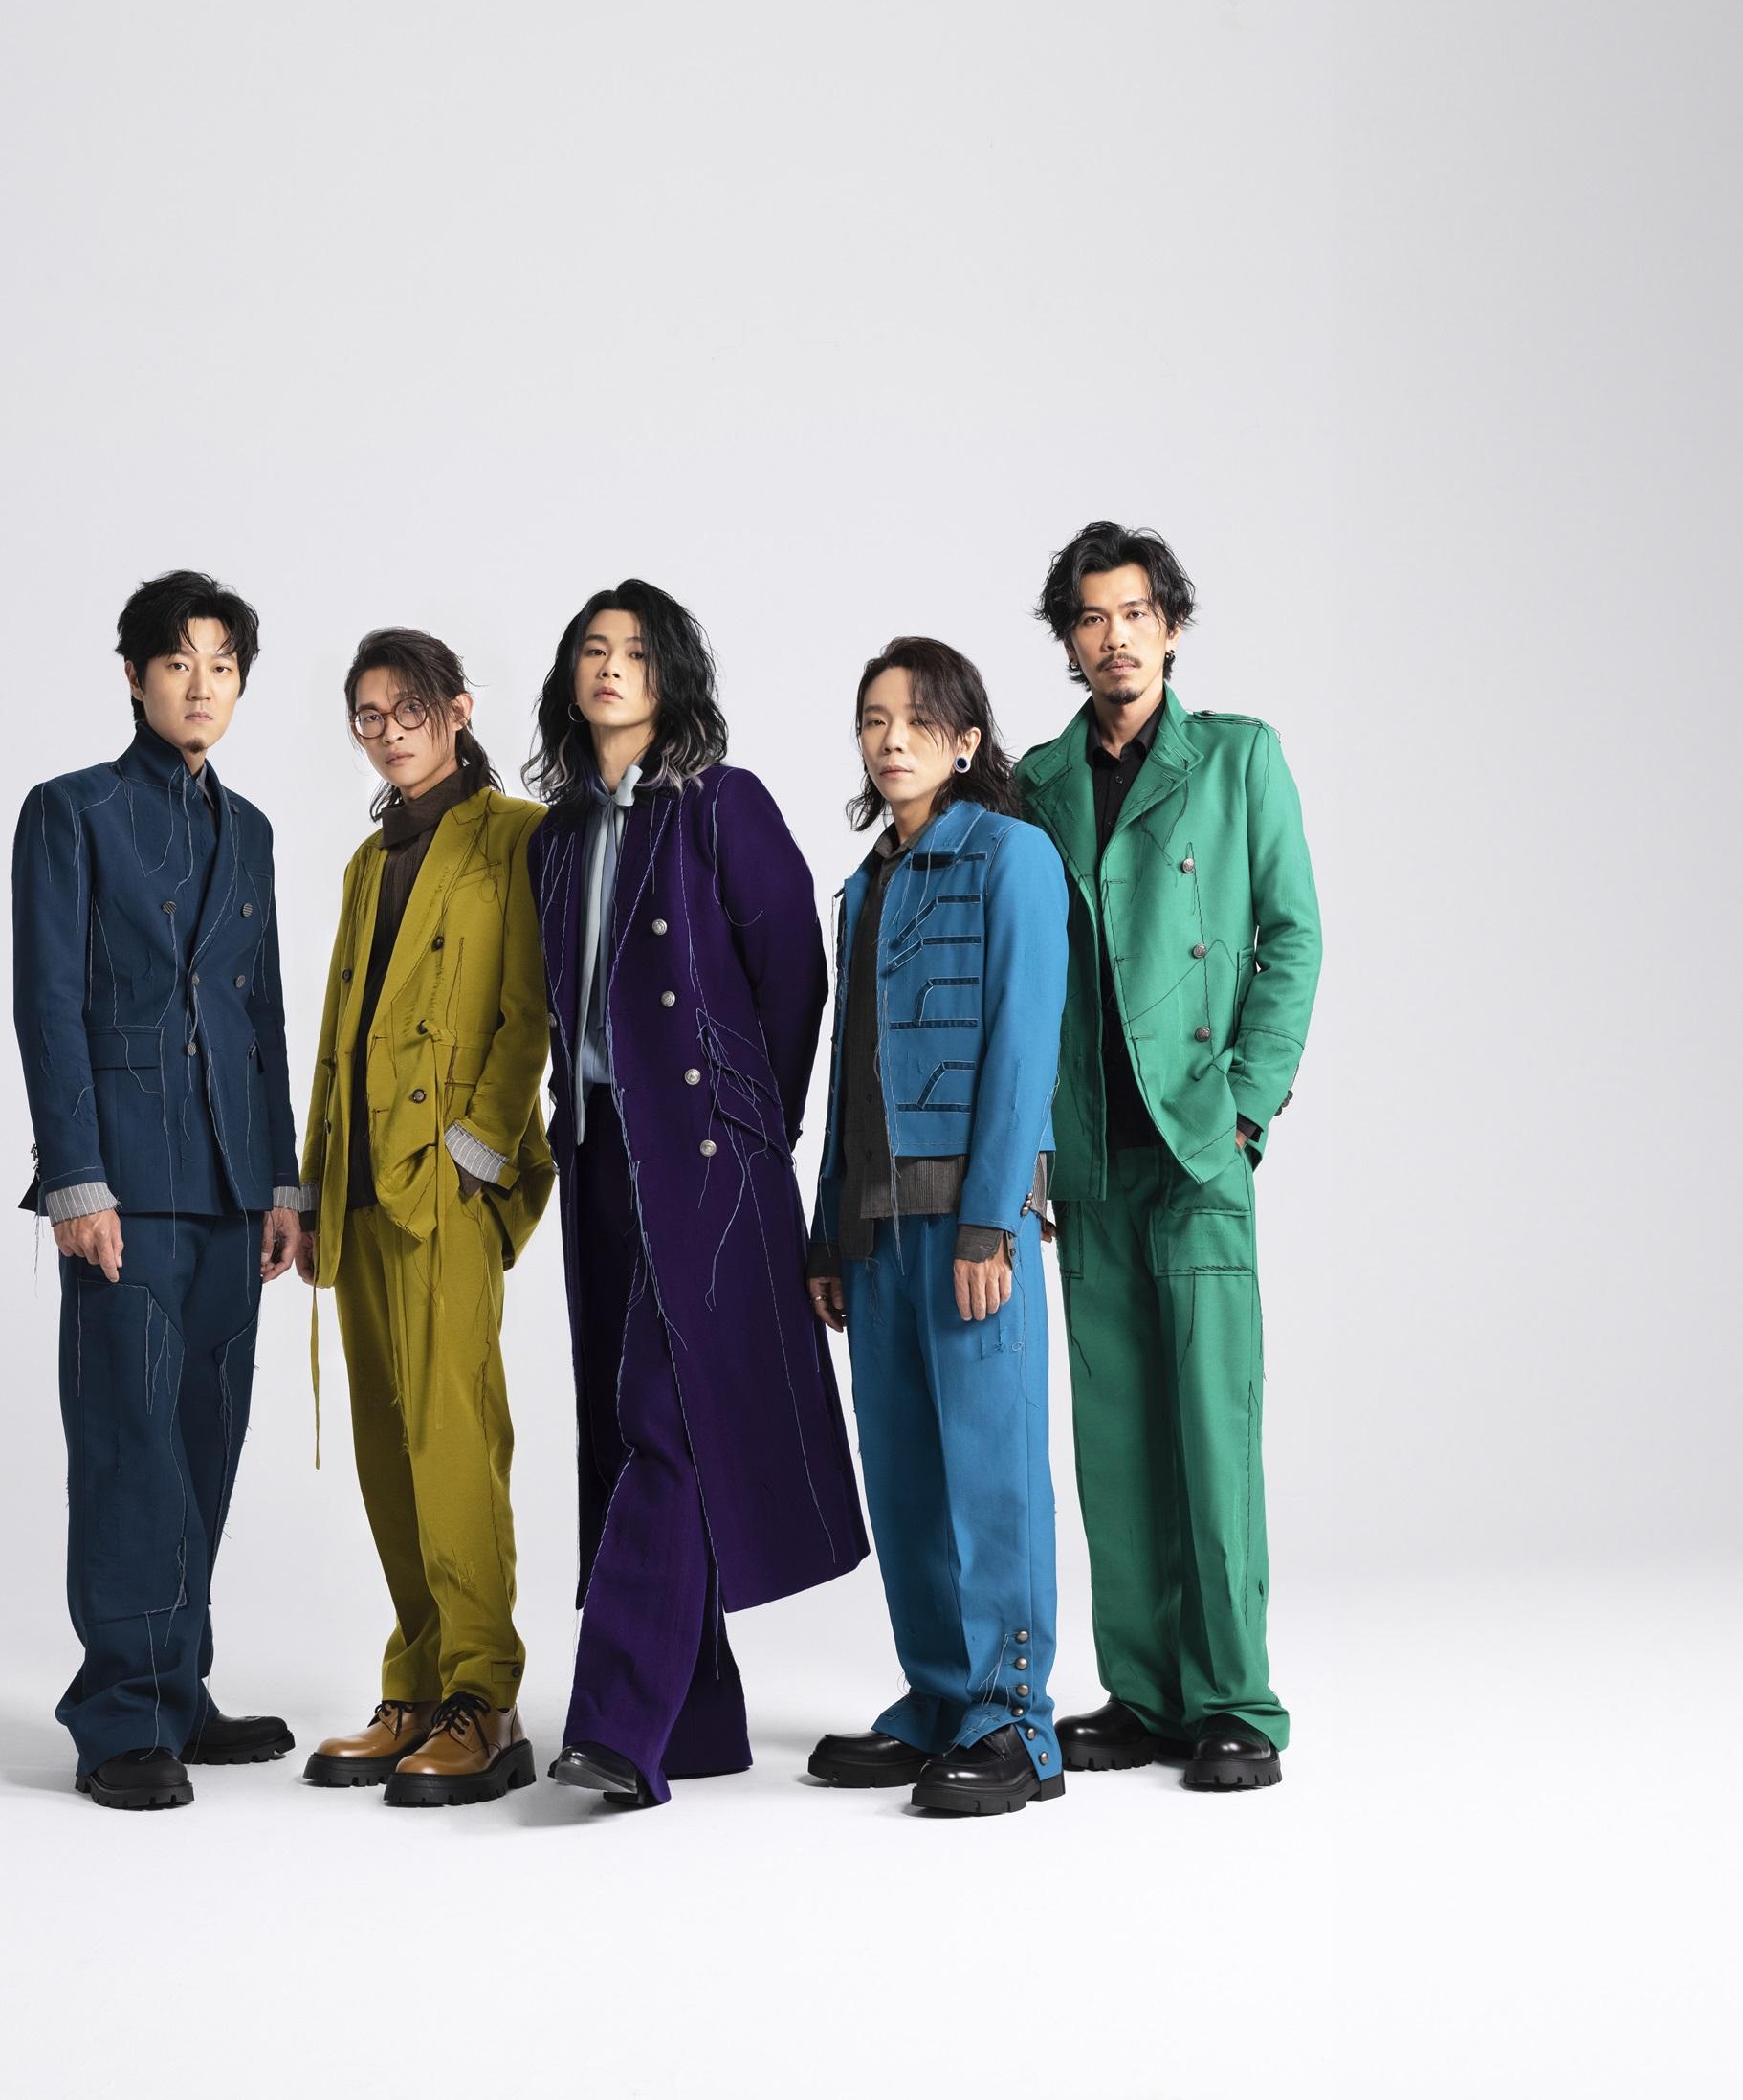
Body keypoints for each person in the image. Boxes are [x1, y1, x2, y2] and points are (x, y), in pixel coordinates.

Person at [526, 580, 867, 1810]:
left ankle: (619, 1725)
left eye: (635, 651)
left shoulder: (723, 802)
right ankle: (698, 1719)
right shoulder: (556, 837)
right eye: (592, 650)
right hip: (600, 1154)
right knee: (625, 1423)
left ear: (671, 677)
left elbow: (796, 974)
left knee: (665, 1420)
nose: (611, 667)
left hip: (710, 1160)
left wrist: (750, 1126)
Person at [1019, 522, 1321, 1792]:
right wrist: (1030, 1138)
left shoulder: (1238, 758)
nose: (1115, 637)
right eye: (1091, 617)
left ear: (1172, 625)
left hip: (1197, 1145)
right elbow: (1026, 971)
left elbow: (1291, 937)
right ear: (1069, 639)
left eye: (1135, 612)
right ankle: (1143, 1694)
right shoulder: (1036, 779)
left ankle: (1236, 1700)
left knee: (1212, 1429)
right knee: (1116, 1438)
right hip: (1089, 1154)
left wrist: (1244, 1107)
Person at [11, 569, 307, 1810]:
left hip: (232, 1184)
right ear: (135, 676)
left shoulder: (253, 831)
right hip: (124, 1181)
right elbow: (48, 1003)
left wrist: (283, 1177)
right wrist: (76, 1178)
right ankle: (121, 1717)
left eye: (222, 665)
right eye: (179, 662)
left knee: (204, 1439)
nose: (202, 685)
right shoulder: (70, 811)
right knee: (128, 1443)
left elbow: (262, 1012)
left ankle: (177, 1687)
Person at [804, 640, 1071, 1817]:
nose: (892, 738)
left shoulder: (1013, 856)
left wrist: (989, 1224)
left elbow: (1023, 1045)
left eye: (918, 720)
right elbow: (848, 1074)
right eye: (875, 719)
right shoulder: (865, 884)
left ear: (966, 741)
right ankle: (940, 1699)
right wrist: (827, 1230)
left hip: (969, 1228)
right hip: (874, 1229)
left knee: (993, 1474)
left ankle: (1016, 1722)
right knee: (906, 1476)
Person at [294, 629, 554, 1808]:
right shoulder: (369, 860)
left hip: (444, 1184)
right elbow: (339, 1036)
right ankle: (415, 1681)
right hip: (359, 1183)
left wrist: (476, 1154)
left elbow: (529, 1012)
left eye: (408, 710)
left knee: (454, 1436)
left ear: (457, 710)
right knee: (386, 1443)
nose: (389, 732)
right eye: (369, 715)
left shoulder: (515, 836)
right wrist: (310, 1187)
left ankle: (483, 1697)